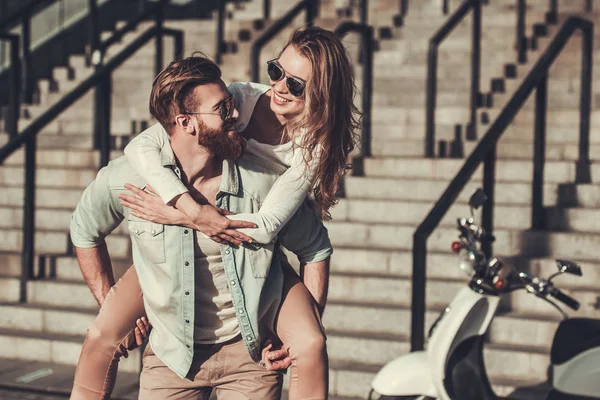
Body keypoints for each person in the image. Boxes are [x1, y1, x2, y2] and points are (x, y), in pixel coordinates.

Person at [72, 24, 360, 400]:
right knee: (101, 334)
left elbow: (288, 233)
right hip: (174, 339)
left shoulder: (294, 161)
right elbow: (136, 152)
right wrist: (185, 204)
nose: (279, 88)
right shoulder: (137, 177)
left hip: (251, 306)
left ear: (318, 95)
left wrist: (184, 216)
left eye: (297, 85)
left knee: (310, 343)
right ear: (186, 122)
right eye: (276, 72)